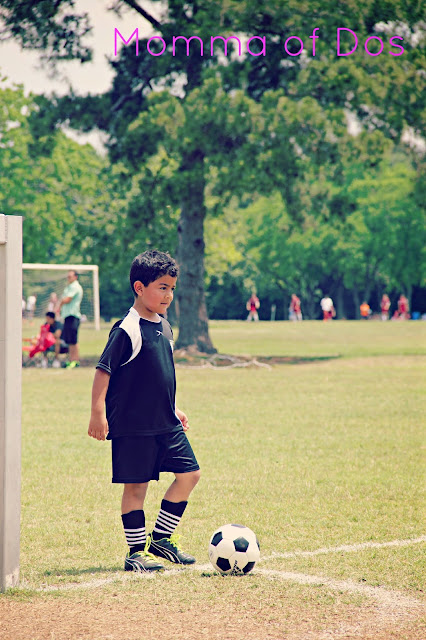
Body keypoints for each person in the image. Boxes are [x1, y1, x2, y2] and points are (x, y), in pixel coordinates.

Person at [88, 249, 200, 573]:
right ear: (139, 287)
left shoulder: (165, 326)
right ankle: (136, 552)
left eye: (172, 288)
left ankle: (161, 539)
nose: (169, 295)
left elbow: (158, 374)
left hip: (165, 422)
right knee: (136, 488)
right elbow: (103, 371)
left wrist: (173, 408)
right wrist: (97, 413)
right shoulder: (127, 328)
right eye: (162, 287)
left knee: (190, 475)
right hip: (134, 425)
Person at [58, 270, 83, 368]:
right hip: (68, 316)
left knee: (73, 340)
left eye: (70, 276)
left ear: (75, 277)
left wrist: (60, 304)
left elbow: (67, 299)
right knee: (70, 340)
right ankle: (71, 360)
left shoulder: (75, 286)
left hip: (73, 316)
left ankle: (75, 360)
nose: (68, 278)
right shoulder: (69, 287)